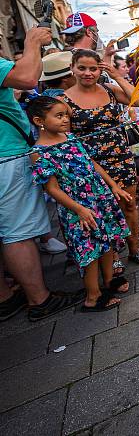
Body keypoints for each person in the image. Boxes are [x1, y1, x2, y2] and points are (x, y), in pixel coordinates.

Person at [0, 26, 83, 322]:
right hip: (5, 157)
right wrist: (32, 42)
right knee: (17, 233)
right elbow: (27, 78)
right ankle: (40, 299)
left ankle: (6, 299)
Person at [28, 97, 132, 311]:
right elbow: (52, 189)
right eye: (59, 116)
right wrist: (79, 209)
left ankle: (109, 280)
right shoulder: (38, 151)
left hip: (99, 198)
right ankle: (92, 297)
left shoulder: (69, 136)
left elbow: (91, 163)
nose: (66, 119)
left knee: (105, 240)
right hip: (77, 208)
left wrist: (113, 185)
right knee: (89, 249)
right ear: (39, 120)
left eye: (66, 114)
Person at [60, 50, 139, 266]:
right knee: (103, 211)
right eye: (82, 68)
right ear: (72, 68)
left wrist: (117, 76)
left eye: (93, 68)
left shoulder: (109, 90)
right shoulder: (63, 101)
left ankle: (134, 249)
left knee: (129, 205)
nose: (87, 73)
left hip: (121, 157)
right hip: (91, 165)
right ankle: (112, 257)